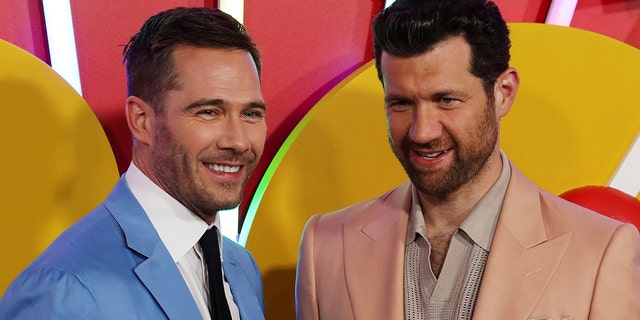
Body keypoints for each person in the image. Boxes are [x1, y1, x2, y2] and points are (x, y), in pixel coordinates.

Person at [295, 0, 640, 319]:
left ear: (503, 93)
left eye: (446, 100)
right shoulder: (325, 245)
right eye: (401, 103)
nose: (422, 131)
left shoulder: (599, 253)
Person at [0, 7, 266, 320]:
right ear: (141, 121)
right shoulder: (64, 288)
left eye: (251, 114)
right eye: (208, 112)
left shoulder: (241, 267)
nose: (238, 141)